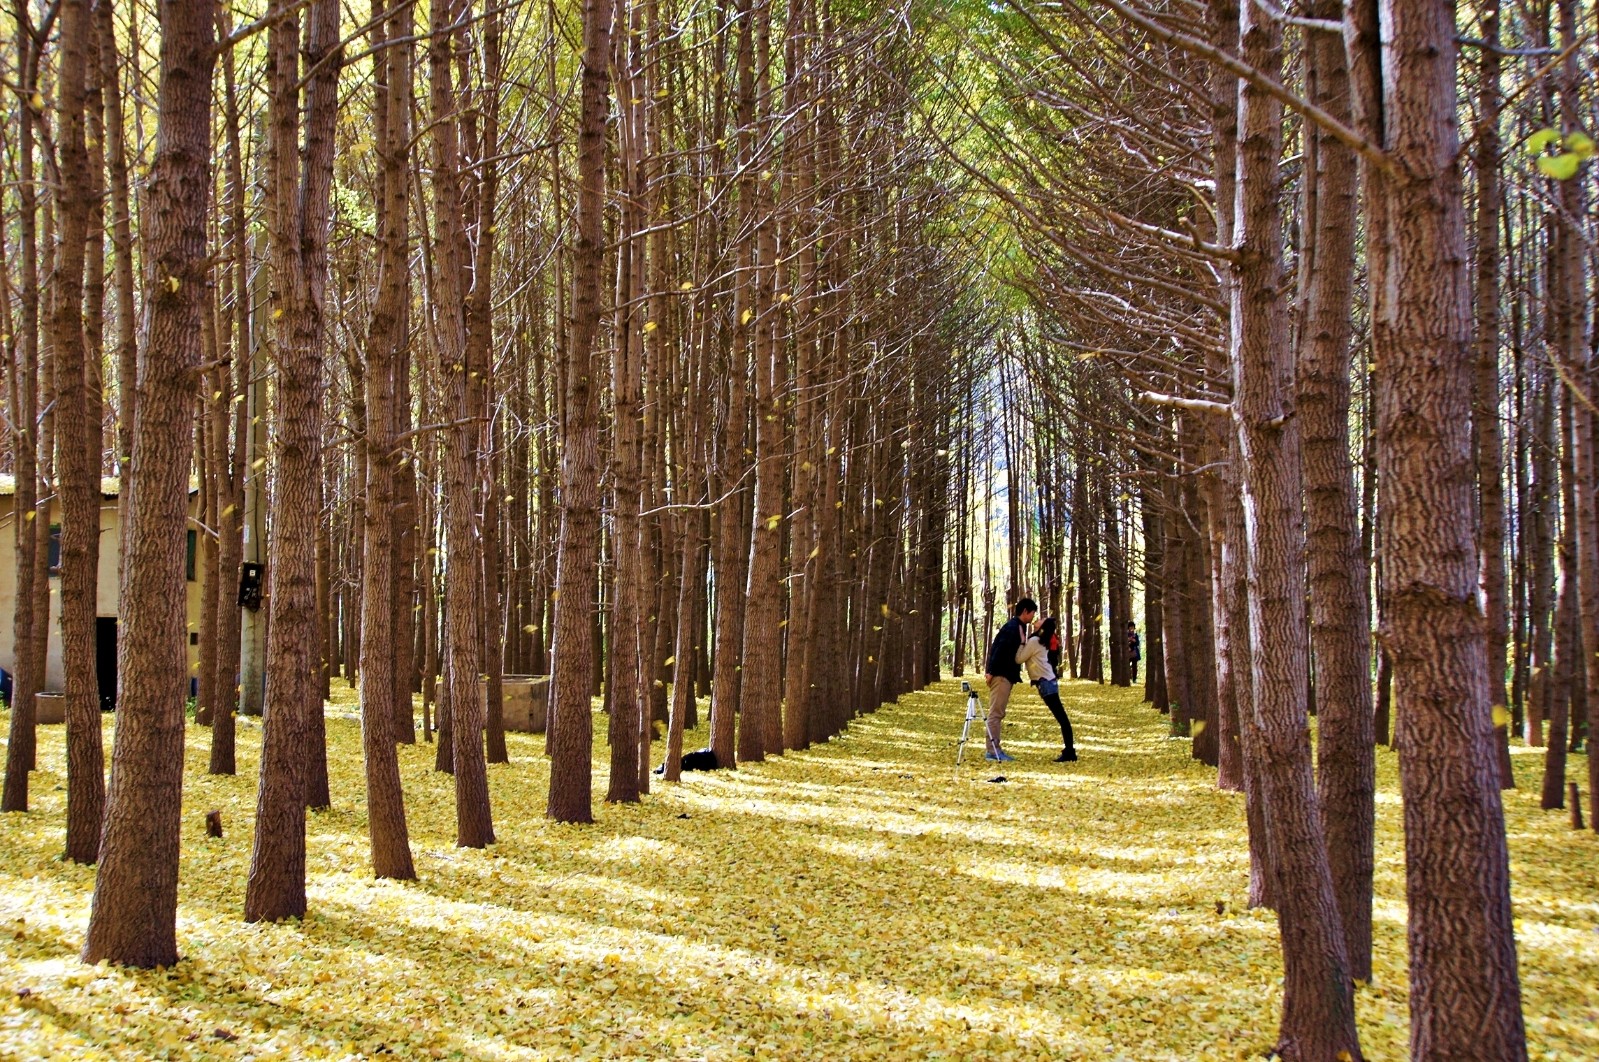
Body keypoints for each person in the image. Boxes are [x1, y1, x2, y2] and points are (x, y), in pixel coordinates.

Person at [983, 597, 1036, 762]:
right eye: (1033, 613)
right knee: (995, 713)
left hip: (1007, 675)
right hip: (1001, 675)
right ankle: (992, 750)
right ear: (1025, 611)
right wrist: (991, 671)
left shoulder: (1019, 627)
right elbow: (998, 649)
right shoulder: (1012, 628)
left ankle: (995, 748)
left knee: (998, 712)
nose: (1033, 617)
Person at [1019, 616, 1077, 762]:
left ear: (1042, 626)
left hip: (1046, 683)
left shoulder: (1034, 641)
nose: (1037, 620)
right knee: (1062, 718)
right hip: (1048, 681)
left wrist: (1020, 643)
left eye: (1040, 620)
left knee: (1062, 718)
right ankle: (1069, 750)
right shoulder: (1040, 641)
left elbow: (1019, 659)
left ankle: (1070, 751)